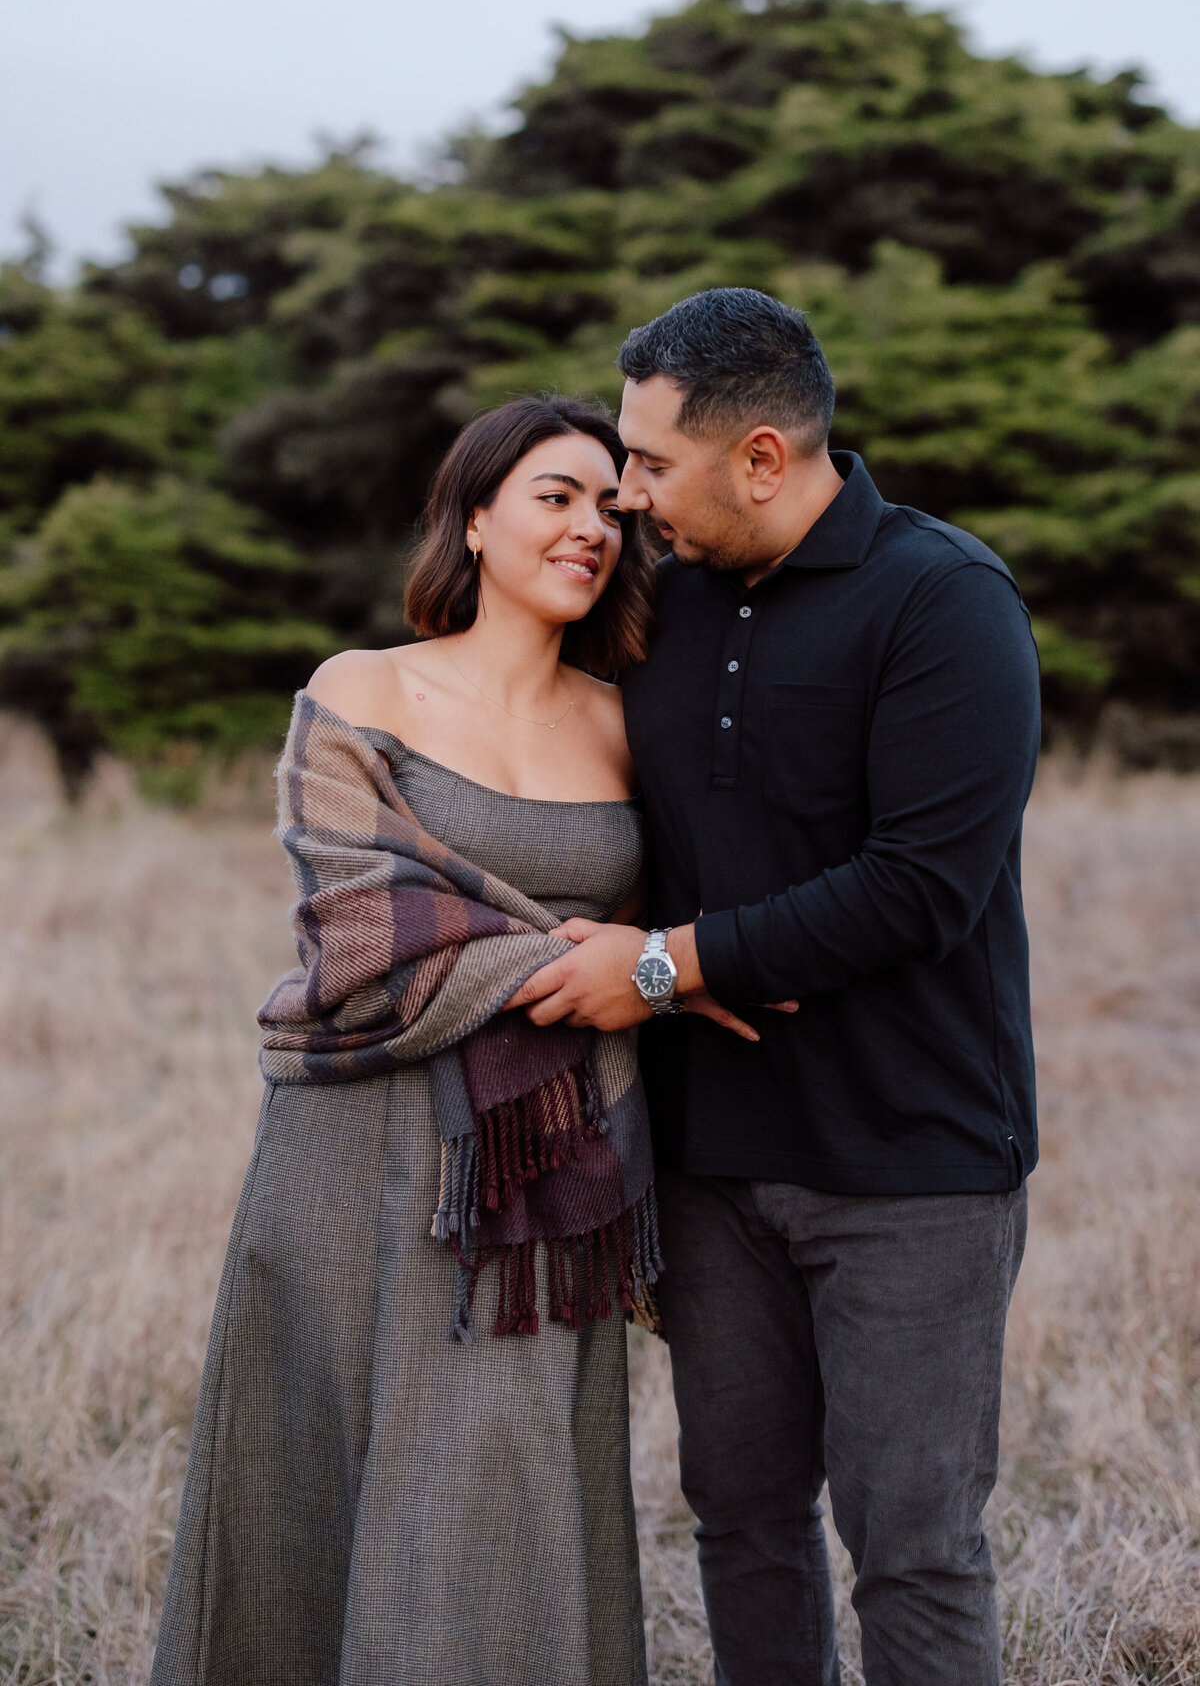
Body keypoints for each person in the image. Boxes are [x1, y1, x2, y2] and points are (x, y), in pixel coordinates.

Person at [150, 394, 756, 1686]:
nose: (591, 525)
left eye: (610, 504)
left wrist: (647, 964)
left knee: (500, 1492)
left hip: (542, 1179)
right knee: (306, 1488)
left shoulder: (628, 722)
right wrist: (623, 968)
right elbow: (363, 940)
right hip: (344, 1157)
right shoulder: (362, 690)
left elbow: (682, 914)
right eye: (555, 495)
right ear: (476, 520)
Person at [507, 291, 1043, 1685]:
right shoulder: (656, 601)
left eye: (650, 464)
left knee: (913, 1542)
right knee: (741, 1519)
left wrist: (672, 966)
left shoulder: (944, 599)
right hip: (713, 1162)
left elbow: (921, 887)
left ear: (761, 456)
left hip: (911, 1164)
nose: (624, 495)